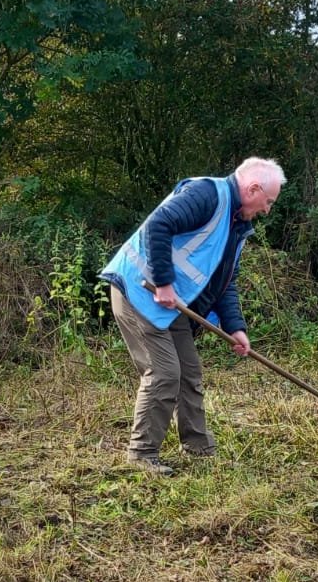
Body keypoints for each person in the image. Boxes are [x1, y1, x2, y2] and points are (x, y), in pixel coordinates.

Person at [100, 156, 285, 475]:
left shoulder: (236, 225)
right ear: (253, 189)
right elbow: (158, 225)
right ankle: (142, 454)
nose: (267, 209)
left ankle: (199, 447)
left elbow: (224, 281)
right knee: (165, 373)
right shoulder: (207, 195)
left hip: (170, 305)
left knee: (189, 372)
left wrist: (235, 327)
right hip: (140, 292)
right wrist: (163, 282)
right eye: (268, 201)